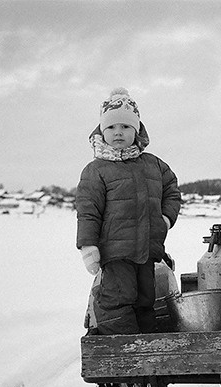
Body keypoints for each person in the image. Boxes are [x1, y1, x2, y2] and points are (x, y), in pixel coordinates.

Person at [76, 87, 181, 335]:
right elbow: (88, 211)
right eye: (111, 127)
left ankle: (145, 346)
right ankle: (122, 346)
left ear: (137, 130)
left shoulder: (154, 165)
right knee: (118, 299)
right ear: (102, 131)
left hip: (147, 252)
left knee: (146, 300)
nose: (118, 132)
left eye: (125, 126)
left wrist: (165, 219)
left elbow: (172, 190)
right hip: (116, 253)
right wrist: (88, 246)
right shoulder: (96, 170)